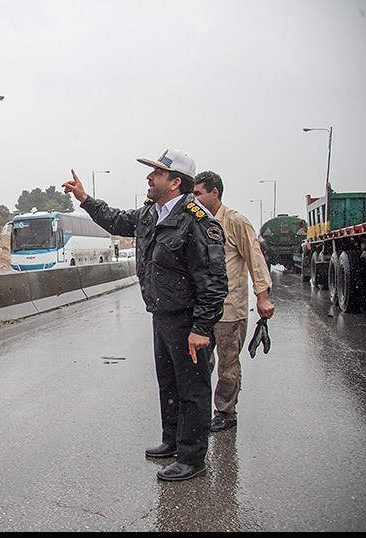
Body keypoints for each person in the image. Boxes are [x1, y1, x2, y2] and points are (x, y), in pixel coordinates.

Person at [62, 148, 228, 482]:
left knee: (193, 390)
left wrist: (201, 327)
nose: (149, 178)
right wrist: (84, 198)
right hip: (162, 315)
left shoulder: (198, 222)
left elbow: (213, 281)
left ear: (175, 181)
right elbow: (116, 219)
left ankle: (193, 457)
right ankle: (172, 441)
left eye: (157, 173)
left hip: (187, 320)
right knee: (168, 384)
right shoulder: (152, 214)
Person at [192, 171, 275, 432]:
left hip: (230, 308)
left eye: (198, 194)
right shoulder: (195, 222)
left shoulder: (235, 222)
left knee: (228, 365)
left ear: (214, 193)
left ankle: (226, 412)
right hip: (203, 310)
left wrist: (262, 297)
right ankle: (200, 411)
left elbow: (255, 259)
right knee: (201, 363)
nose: (194, 199)